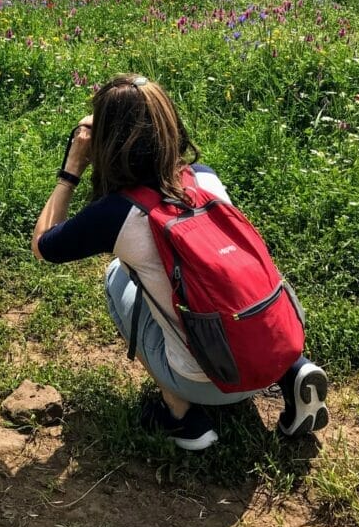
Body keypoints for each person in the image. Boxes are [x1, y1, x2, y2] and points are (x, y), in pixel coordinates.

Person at [31, 74, 328, 451]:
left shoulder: (118, 213)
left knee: (117, 276)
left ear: (110, 140)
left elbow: (43, 245)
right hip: (274, 351)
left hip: (205, 381)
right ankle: (295, 372)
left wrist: (70, 169)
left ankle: (183, 417)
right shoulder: (204, 178)